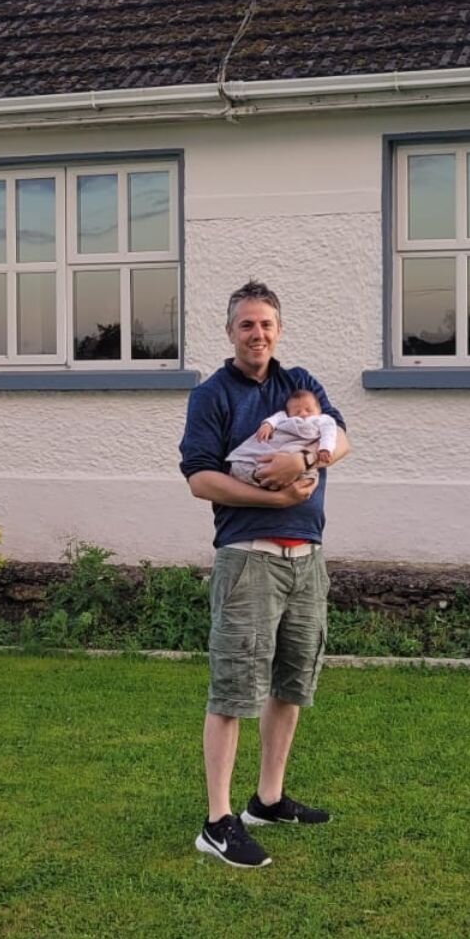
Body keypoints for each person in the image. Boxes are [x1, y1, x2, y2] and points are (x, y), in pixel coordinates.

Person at [178, 280, 351, 868]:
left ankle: (267, 801)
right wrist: (274, 498)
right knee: (232, 691)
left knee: (290, 684)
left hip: (307, 559)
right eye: (247, 324)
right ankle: (217, 822)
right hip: (248, 557)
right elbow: (200, 479)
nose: (258, 334)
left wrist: (298, 459)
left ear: (279, 330)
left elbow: (341, 438)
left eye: (266, 324)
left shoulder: (298, 383)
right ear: (230, 332)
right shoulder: (212, 395)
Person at [224, 388, 340, 488]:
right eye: (297, 411)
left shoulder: (323, 419)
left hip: (297, 450)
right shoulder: (285, 417)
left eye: (308, 410)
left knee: (308, 476)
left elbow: (329, 434)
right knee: (243, 464)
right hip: (276, 447)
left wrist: (325, 448)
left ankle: (279, 482)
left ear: (319, 411)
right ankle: (257, 476)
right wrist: (268, 425)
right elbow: (276, 418)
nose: (303, 414)